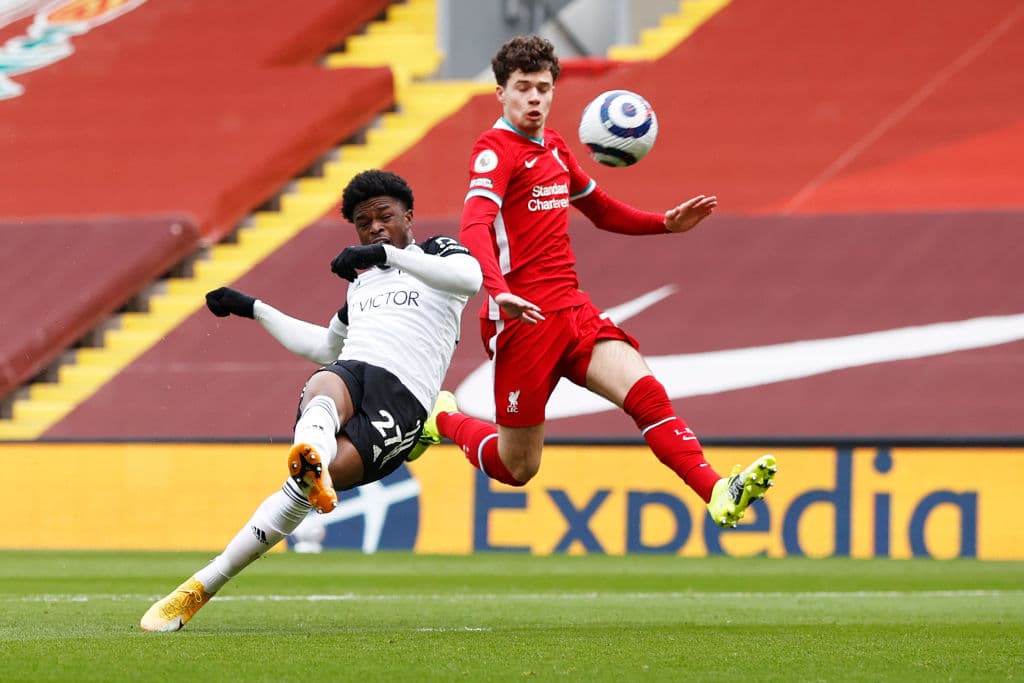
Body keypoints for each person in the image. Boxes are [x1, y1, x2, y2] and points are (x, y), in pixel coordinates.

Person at [419, 35, 777, 528]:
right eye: (522, 88)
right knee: (517, 466)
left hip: (572, 310)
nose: (534, 99)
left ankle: (716, 490)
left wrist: (663, 224)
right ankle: (442, 419)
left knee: (646, 392)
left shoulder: (556, 147)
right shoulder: (494, 151)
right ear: (500, 93)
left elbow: (601, 210)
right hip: (520, 322)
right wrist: (499, 290)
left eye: (542, 88)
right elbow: (474, 226)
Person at [140, 169, 482, 632]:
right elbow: (326, 346)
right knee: (323, 383)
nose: (376, 227)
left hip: (404, 400)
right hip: (355, 371)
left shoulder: (436, 254)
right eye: (365, 223)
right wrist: (253, 308)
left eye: (385, 217)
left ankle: (223, 566)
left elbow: (471, 279)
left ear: (409, 216)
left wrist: (386, 254)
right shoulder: (360, 286)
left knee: (305, 486)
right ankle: (195, 590)